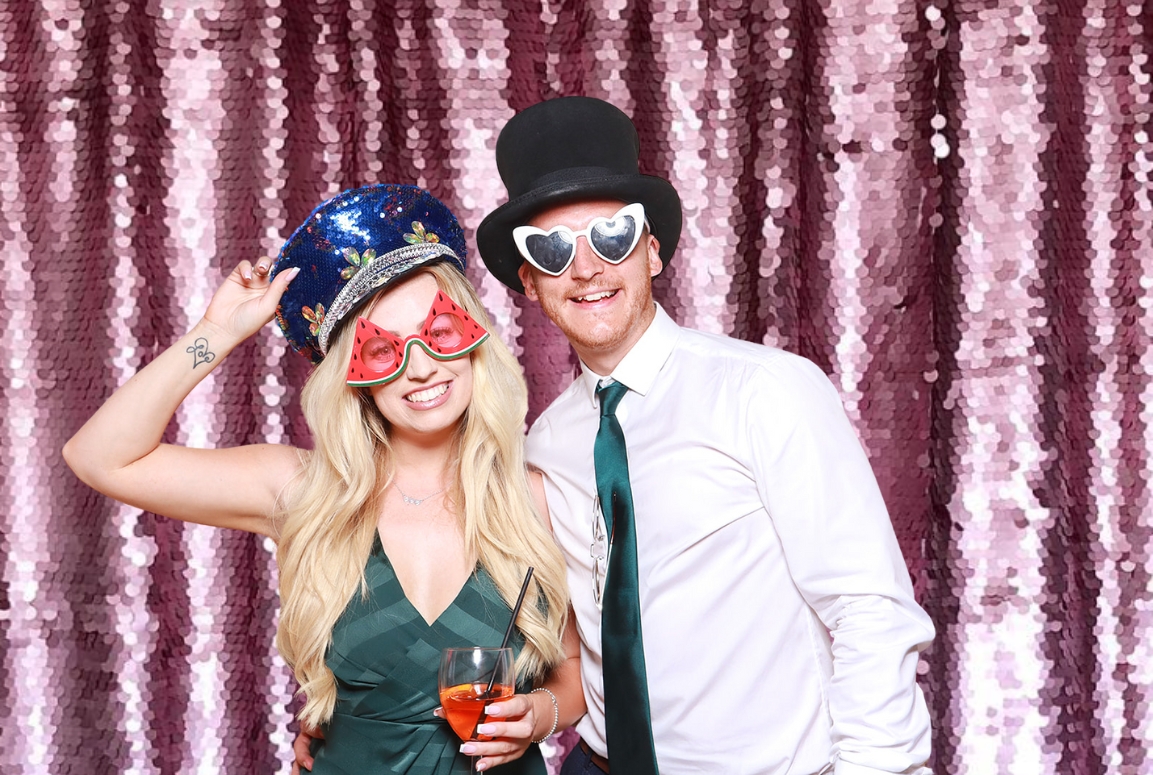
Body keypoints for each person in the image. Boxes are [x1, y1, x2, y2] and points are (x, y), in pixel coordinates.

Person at [471, 97, 937, 774]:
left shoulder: (766, 392)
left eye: (611, 235)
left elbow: (868, 607)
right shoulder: (545, 443)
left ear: (651, 252)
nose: (586, 267)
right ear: (530, 284)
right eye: (551, 249)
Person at [63, 184, 585, 774]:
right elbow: (99, 457)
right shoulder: (302, 491)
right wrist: (220, 330)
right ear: (351, 377)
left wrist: (537, 716)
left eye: (438, 334)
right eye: (384, 351)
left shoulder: (536, 496)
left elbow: (573, 674)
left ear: (473, 342)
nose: (421, 369)